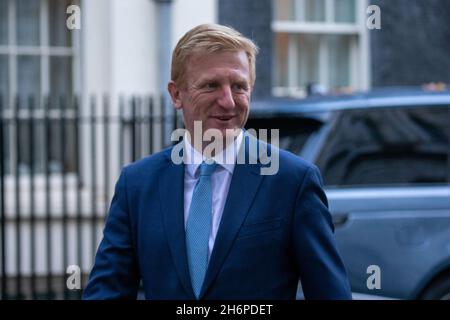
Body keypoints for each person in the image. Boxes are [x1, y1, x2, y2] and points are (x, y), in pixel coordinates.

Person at [83, 23, 352, 300]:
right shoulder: (137, 184)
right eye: (211, 85)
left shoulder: (293, 181)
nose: (228, 102)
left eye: (238, 87)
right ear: (176, 94)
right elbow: (107, 292)